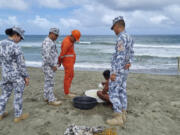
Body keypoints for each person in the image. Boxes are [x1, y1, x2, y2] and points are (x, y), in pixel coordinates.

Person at [106, 16, 134, 126]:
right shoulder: (129, 37)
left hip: (119, 70)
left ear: (118, 26)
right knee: (122, 90)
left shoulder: (121, 38)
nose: (114, 31)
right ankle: (123, 112)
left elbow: (120, 56)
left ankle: (118, 117)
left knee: (113, 91)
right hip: (125, 70)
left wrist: (114, 73)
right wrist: (130, 62)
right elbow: (131, 52)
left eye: (114, 28)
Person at [0, 26, 30, 123]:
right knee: (18, 95)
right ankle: (18, 116)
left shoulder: (1, 43)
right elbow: (21, 64)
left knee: (4, 94)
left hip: (5, 74)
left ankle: (0, 113)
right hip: (16, 76)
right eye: (20, 37)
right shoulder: (15, 46)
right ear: (16, 35)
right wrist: (26, 76)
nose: (20, 40)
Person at [58, 30, 81, 98]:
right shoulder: (67, 42)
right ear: (72, 36)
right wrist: (59, 62)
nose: (75, 41)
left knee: (71, 75)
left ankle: (68, 90)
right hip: (67, 62)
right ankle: (67, 92)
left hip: (70, 62)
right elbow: (62, 54)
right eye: (75, 39)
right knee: (68, 77)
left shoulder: (70, 41)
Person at [42, 28, 62, 106]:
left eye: (57, 35)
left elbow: (52, 54)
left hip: (49, 65)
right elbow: (46, 56)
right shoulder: (47, 42)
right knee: (50, 83)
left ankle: (46, 97)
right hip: (48, 66)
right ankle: (51, 100)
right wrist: (53, 65)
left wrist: (56, 62)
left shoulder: (50, 41)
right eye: (56, 35)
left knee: (47, 81)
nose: (57, 37)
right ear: (51, 33)